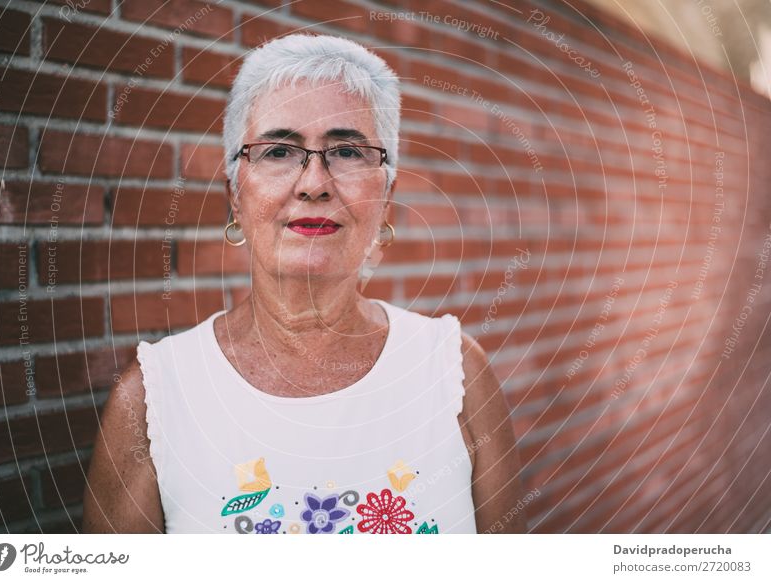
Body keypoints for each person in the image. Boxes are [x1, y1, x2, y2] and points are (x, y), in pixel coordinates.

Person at [82, 33, 527, 534]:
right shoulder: (152, 401)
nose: (314, 182)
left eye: (347, 151)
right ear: (235, 194)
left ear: (387, 195)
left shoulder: (456, 373)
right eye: (278, 150)